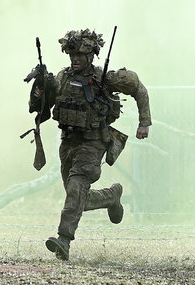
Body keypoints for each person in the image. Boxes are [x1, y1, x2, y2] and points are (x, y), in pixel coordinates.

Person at [29, 28, 151, 261]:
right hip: (68, 143)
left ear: (91, 56)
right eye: (72, 55)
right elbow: (41, 106)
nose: (75, 60)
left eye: (79, 56)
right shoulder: (62, 78)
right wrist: (38, 91)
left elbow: (138, 87)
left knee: (76, 189)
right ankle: (111, 196)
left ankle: (63, 240)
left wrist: (144, 122)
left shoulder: (105, 78)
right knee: (76, 197)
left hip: (93, 143)